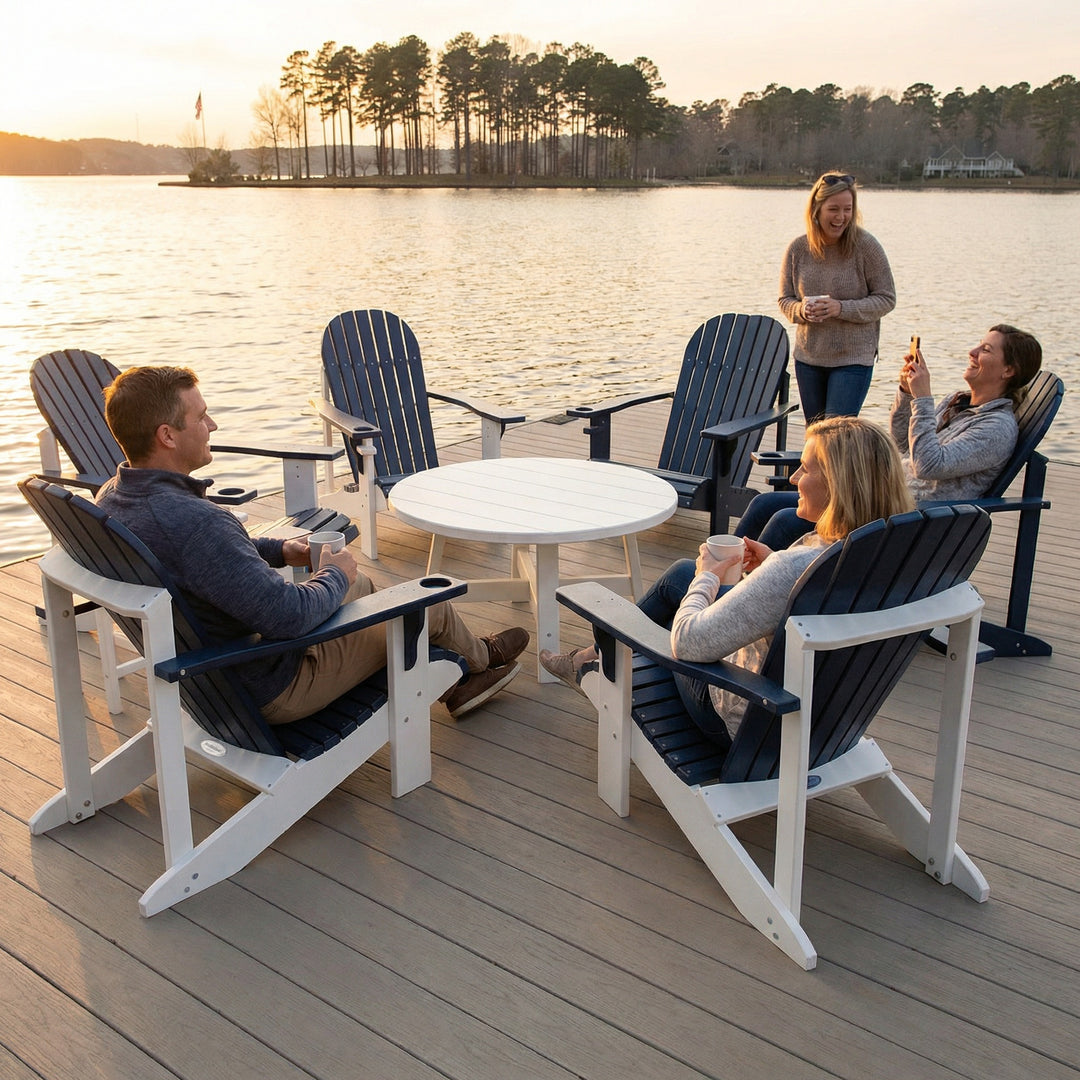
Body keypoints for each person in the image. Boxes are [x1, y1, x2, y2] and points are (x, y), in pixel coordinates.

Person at [96, 365, 529, 722]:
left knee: (363, 589)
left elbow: (202, 561)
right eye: (201, 417)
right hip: (274, 684)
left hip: (208, 676)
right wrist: (334, 574)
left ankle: (459, 680)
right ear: (167, 436)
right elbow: (289, 616)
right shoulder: (196, 522)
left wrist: (280, 550)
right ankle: (478, 661)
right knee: (424, 600)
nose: (212, 425)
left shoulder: (115, 498)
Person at [540, 417, 914, 748]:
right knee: (680, 574)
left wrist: (707, 577)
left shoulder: (795, 566)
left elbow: (687, 643)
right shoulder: (885, 552)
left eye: (805, 469)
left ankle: (592, 659)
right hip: (829, 716)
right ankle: (591, 654)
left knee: (683, 594)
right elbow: (798, 591)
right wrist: (766, 565)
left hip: (739, 712)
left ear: (839, 486)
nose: (795, 479)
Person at [734, 324, 1043, 550]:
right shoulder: (957, 402)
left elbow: (928, 466)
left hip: (913, 521)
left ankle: (744, 598)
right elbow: (901, 444)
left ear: (1008, 371)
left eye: (986, 350)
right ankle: (723, 575)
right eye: (978, 344)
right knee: (766, 503)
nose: (972, 352)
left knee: (786, 520)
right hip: (885, 499)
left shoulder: (996, 429)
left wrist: (923, 399)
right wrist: (908, 395)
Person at [778, 171, 896, 422]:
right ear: (816, 209)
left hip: (853, 359)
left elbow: (886, 298)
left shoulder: (866, 247)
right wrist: (801, 311)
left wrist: (839, 308)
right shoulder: (798, 249)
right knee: (815, 438)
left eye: (847, 209)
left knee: (834, 437)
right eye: (833, 209)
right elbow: (785, 299)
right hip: (809, 358)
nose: (841, 217)